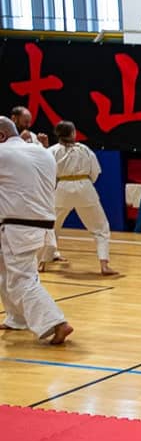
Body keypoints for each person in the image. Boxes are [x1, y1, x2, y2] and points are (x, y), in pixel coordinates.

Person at [0, 117, 73, 345]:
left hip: (18, 225)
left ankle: (57, 322)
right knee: (6, 271)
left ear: (1, 136)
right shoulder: (42, 152)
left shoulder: (3, 153)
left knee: (21, 280)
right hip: (43, 224)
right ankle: (17, 318)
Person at [38, 121, 119, 276]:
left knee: (51, 227)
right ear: (73, 133)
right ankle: (104, 265)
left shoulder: (52, 151)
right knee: (100, 228)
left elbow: (46, 173)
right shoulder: (84, 150)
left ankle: (42, 263)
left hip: (61, 189)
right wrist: (84, 183)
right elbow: (95, 172)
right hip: (85, 188)